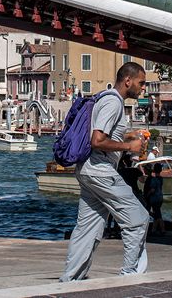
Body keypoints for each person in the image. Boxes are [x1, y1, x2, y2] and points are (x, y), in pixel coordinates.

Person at [61, 62, 150, 282]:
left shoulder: (105, 98)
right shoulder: (113, 102)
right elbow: (97, 140)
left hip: (87, 170)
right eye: (141, 83)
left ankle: (71, 280)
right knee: (138, 219)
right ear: (127, 81)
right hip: (100, 170)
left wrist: (127, 137)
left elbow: (103, 135)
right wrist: (130, 147)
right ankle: (130, 275)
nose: (143, 88)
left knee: (88, 228)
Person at [143, 163, 165, 235]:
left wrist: (147, 195)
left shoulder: (153, 179)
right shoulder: (161, 178)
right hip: (160, 197)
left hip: (154, 198)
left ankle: (162, 230)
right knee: (157, 213)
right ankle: (154, 229)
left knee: (157, 215)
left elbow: (152, 189)